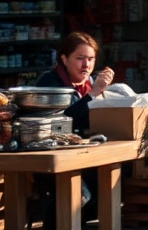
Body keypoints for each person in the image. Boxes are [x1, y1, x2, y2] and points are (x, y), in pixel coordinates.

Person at [34, 31, 115, 229]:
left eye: (90, 59)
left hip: (84, 156)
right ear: (64, 58)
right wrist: (94, 94)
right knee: (80, 196)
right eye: (80, 58)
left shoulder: (88, 84)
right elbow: (64, 119)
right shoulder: (50, 83)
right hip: (50, 157)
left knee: (107, 190)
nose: (86, 65)